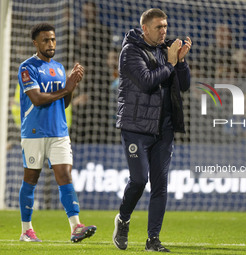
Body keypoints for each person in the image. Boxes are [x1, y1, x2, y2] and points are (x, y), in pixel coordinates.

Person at [112, 8, 191, 252]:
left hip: (164, 128)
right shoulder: (130, 51)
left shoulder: (166, 50)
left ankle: (152, 240)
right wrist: (170, 61)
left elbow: (185, 85)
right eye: (159, 27)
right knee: (139, 179)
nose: (164, 31)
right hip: (136, 127)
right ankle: (123, 220)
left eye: (165, 26)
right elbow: (147, 81)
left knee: (160, 185)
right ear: (145, 28)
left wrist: (181, 61)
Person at [18, 23, 96, 243]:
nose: (50, 43)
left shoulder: (60, 68)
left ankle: (76, 227)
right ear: (36, 43)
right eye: (45, 40)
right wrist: (67, 88)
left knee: (65, 176)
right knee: (31, 179)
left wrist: (72, 86)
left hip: (59, 132)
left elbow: (64, 103)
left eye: (52, 39)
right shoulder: (27, 67)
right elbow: (37, 99)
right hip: (34, 132)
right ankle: (26, 230)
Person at [71, 1, 113, 144]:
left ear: (95, 12)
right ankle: (80, 144)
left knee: (99, 117)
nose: (87, 14)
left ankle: (100, 146)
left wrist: (87, 38)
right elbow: (78, 56)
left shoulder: (104, 30)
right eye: (85, 11)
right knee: (82, 114)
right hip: (85, 80)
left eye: (89, 11)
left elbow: (103, 53)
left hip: (99, 81)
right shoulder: (80, 31)